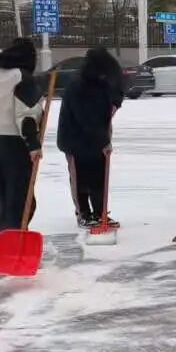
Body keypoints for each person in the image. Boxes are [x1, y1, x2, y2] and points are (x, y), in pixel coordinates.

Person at [56, 47, 124, 227]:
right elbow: (87, 119)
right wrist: (104, 141)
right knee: (80, 179)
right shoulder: (78, 86)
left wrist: (116, 101)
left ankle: (100, 213)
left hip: (97, 137)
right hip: (74, 139)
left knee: (99, 178)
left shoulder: (102, 83)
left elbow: (116, 92)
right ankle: (84, 213)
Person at [0, 39, 47, 235]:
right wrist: (33, 144)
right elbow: (26, 115)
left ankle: (5, 237)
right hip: (16, 145)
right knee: (21, 201)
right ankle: (13, 241)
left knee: (6, 202)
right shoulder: (23, 77)